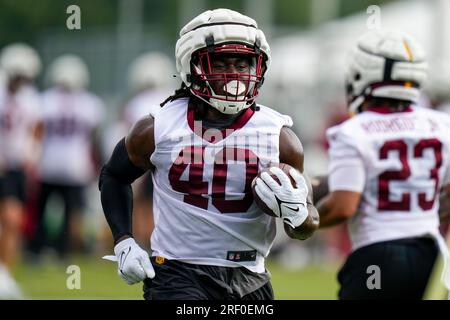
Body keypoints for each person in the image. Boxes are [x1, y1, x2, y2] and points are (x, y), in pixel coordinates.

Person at [100, 8, 319, 300]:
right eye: (221, 63)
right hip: (176, 272)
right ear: (192, 65)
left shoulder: (280, 138)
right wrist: (123, 241)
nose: (235, 75)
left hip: (250, 277)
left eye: (243, 64)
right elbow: (113, 175)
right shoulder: (158, 127)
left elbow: (305, 228)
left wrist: (298, 212)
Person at [317, 30, 450, 299]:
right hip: (432, 253)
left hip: (377, 254)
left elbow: (343, 207)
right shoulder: (441, 125)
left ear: (362, 75)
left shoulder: (353, 131)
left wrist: (304, 219)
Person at [29, 54, 105, 260]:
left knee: (42, 209)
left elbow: (36, 133)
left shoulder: (45, 100)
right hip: (75, 165)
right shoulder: (90, 103)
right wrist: (97, 164)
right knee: (72, 212)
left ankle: (38, 248)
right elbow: (93, 138)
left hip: (49, 162)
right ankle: (64, 250)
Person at [0, 43, 42, 298]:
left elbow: (38, 128)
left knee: (13, 221)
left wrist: (32, 156)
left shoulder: (31, 99)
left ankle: (5, 273)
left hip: (14, 168)